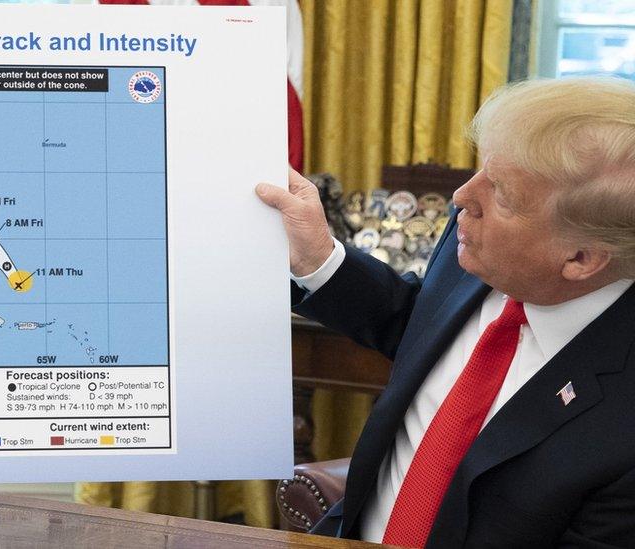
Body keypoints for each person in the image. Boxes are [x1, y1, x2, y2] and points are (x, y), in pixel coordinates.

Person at [256, 76, 635, 548]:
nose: (460, 198)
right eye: (482, 169)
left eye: (501, 193)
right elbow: (417, 323)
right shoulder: (480, 245)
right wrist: (318, 259)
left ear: (581, 260)